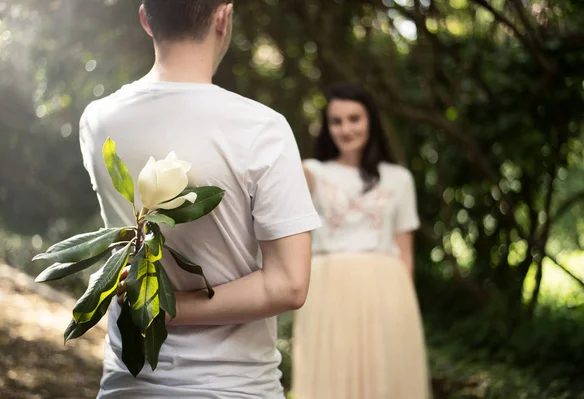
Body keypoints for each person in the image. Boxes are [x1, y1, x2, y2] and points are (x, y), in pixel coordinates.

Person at [78, 1, 321, 397]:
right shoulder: (262, 128)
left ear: (145, 18)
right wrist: (174, 308)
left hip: (128, 381)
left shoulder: (98, 119)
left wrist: (156, 306)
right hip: (234, 385)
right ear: (223, 17)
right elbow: (289, 285)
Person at [292, 83, 431, 399]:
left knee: (386, 379)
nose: (346, 128)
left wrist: (404, 309)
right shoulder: (311, 171)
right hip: (328, 288)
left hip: (386, 287)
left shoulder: (399, 178)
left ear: (371, 121)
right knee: (331, 376)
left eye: (354, 118)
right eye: (336, 121)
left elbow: (405, 251)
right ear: (327, 128)